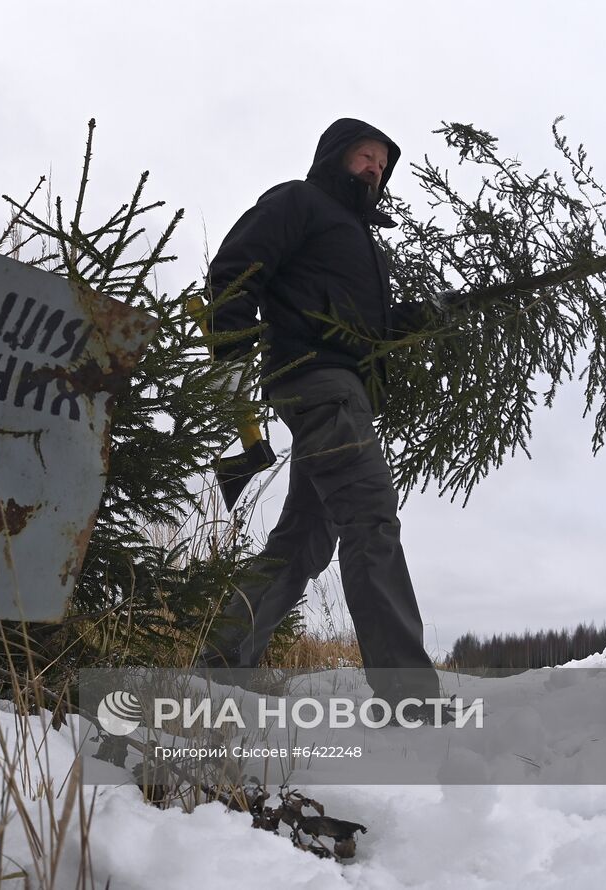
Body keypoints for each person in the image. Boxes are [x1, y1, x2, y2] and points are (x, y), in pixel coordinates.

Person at [198, 117, 441, 704]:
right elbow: (235, 268)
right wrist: (231, 348)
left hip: (340, 386)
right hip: (315, 380)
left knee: (304, 537)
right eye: (365, 156)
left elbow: (363, 326)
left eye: (383, 164)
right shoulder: (299, 201)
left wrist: (418, 317)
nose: (375, 169)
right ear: (336, 156)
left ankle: (221, 665)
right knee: (370, 517)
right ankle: (409, 697)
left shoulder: (359, 240)